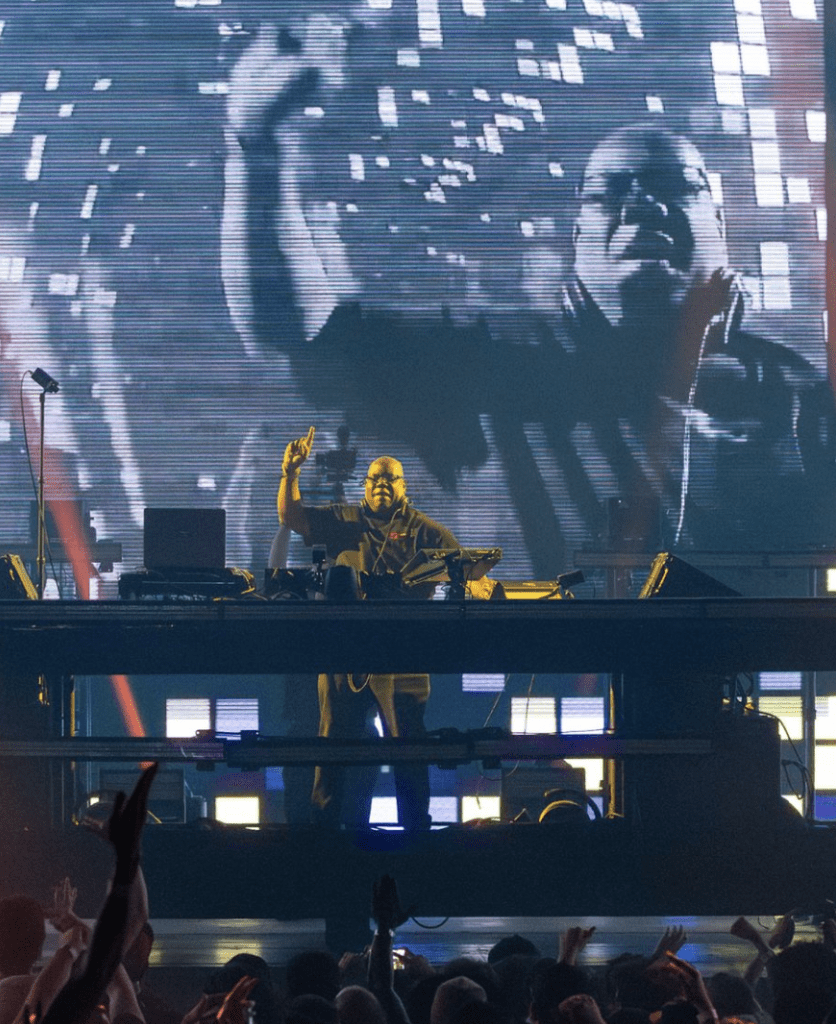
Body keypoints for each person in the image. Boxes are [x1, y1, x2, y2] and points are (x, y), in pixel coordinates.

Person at [223, 19, 836, 575]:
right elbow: (300, 332)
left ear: (723, 230)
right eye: (611, 193)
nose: (644, 206)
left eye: (674, 188)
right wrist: (256, 151)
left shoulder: (796, 393)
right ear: (576, 238)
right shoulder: (497, 362)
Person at [278, 427, 465, 829]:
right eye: (374, 479)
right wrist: (290, 474)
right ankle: (325, 835)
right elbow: (291, 517)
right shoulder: (342, 519)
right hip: (345, 657)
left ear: (404, 486)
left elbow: (466, 568)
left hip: (405, 658)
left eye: (389, 478)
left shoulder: (425, 530)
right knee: (334, 748)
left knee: (409, 750)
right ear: (364, 486)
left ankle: (416, 832)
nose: (381, 485)